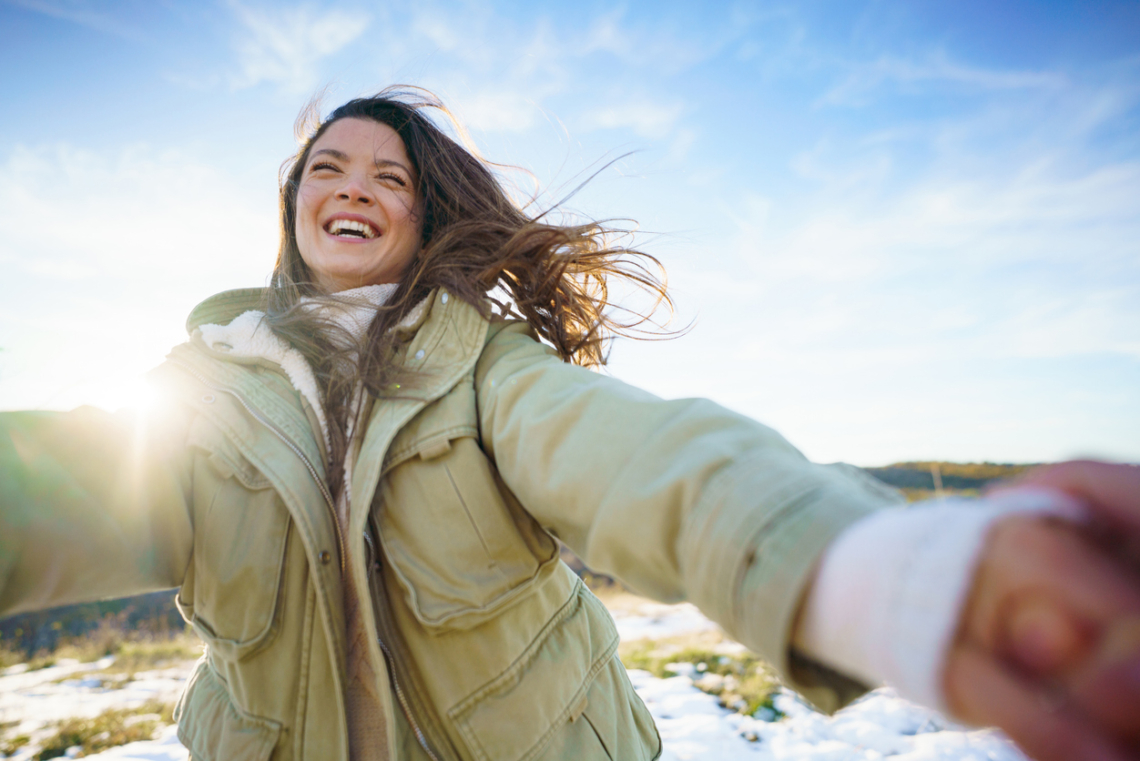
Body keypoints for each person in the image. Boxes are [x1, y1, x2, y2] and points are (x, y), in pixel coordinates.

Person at [0, 87, 1137, 761]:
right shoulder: (193, 396)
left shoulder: (487, 367)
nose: (351, 186)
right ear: (294, 203)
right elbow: (52, 484)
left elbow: (641, 458)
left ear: (422, 212)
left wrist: (880, 565)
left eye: (389, 175)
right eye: (326, 167)